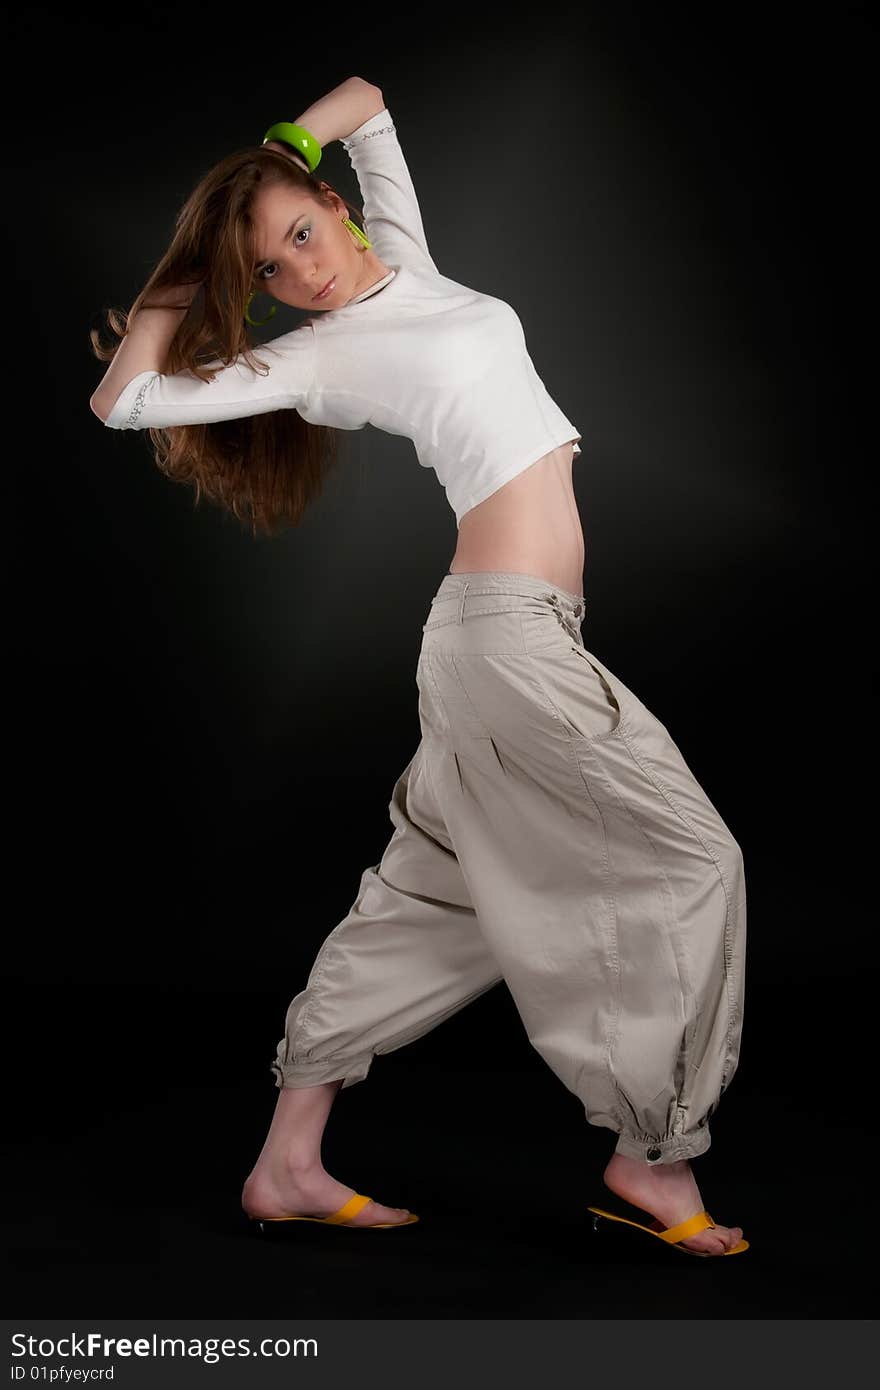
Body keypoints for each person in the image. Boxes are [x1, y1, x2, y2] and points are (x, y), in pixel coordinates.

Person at [90, 76, 747, 1257]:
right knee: (698, 859)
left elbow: (370, 105)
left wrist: (277, 148)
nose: (303, 270)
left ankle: (286, 1161)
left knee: (433, 906)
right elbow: (125, 397)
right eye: (272, 272)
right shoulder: (321, 356)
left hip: (506, 640)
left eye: (302, 229)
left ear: (337, 208)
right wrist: (195, 265)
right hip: (505, 643)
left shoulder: (409, 267)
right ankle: (654, 1157)